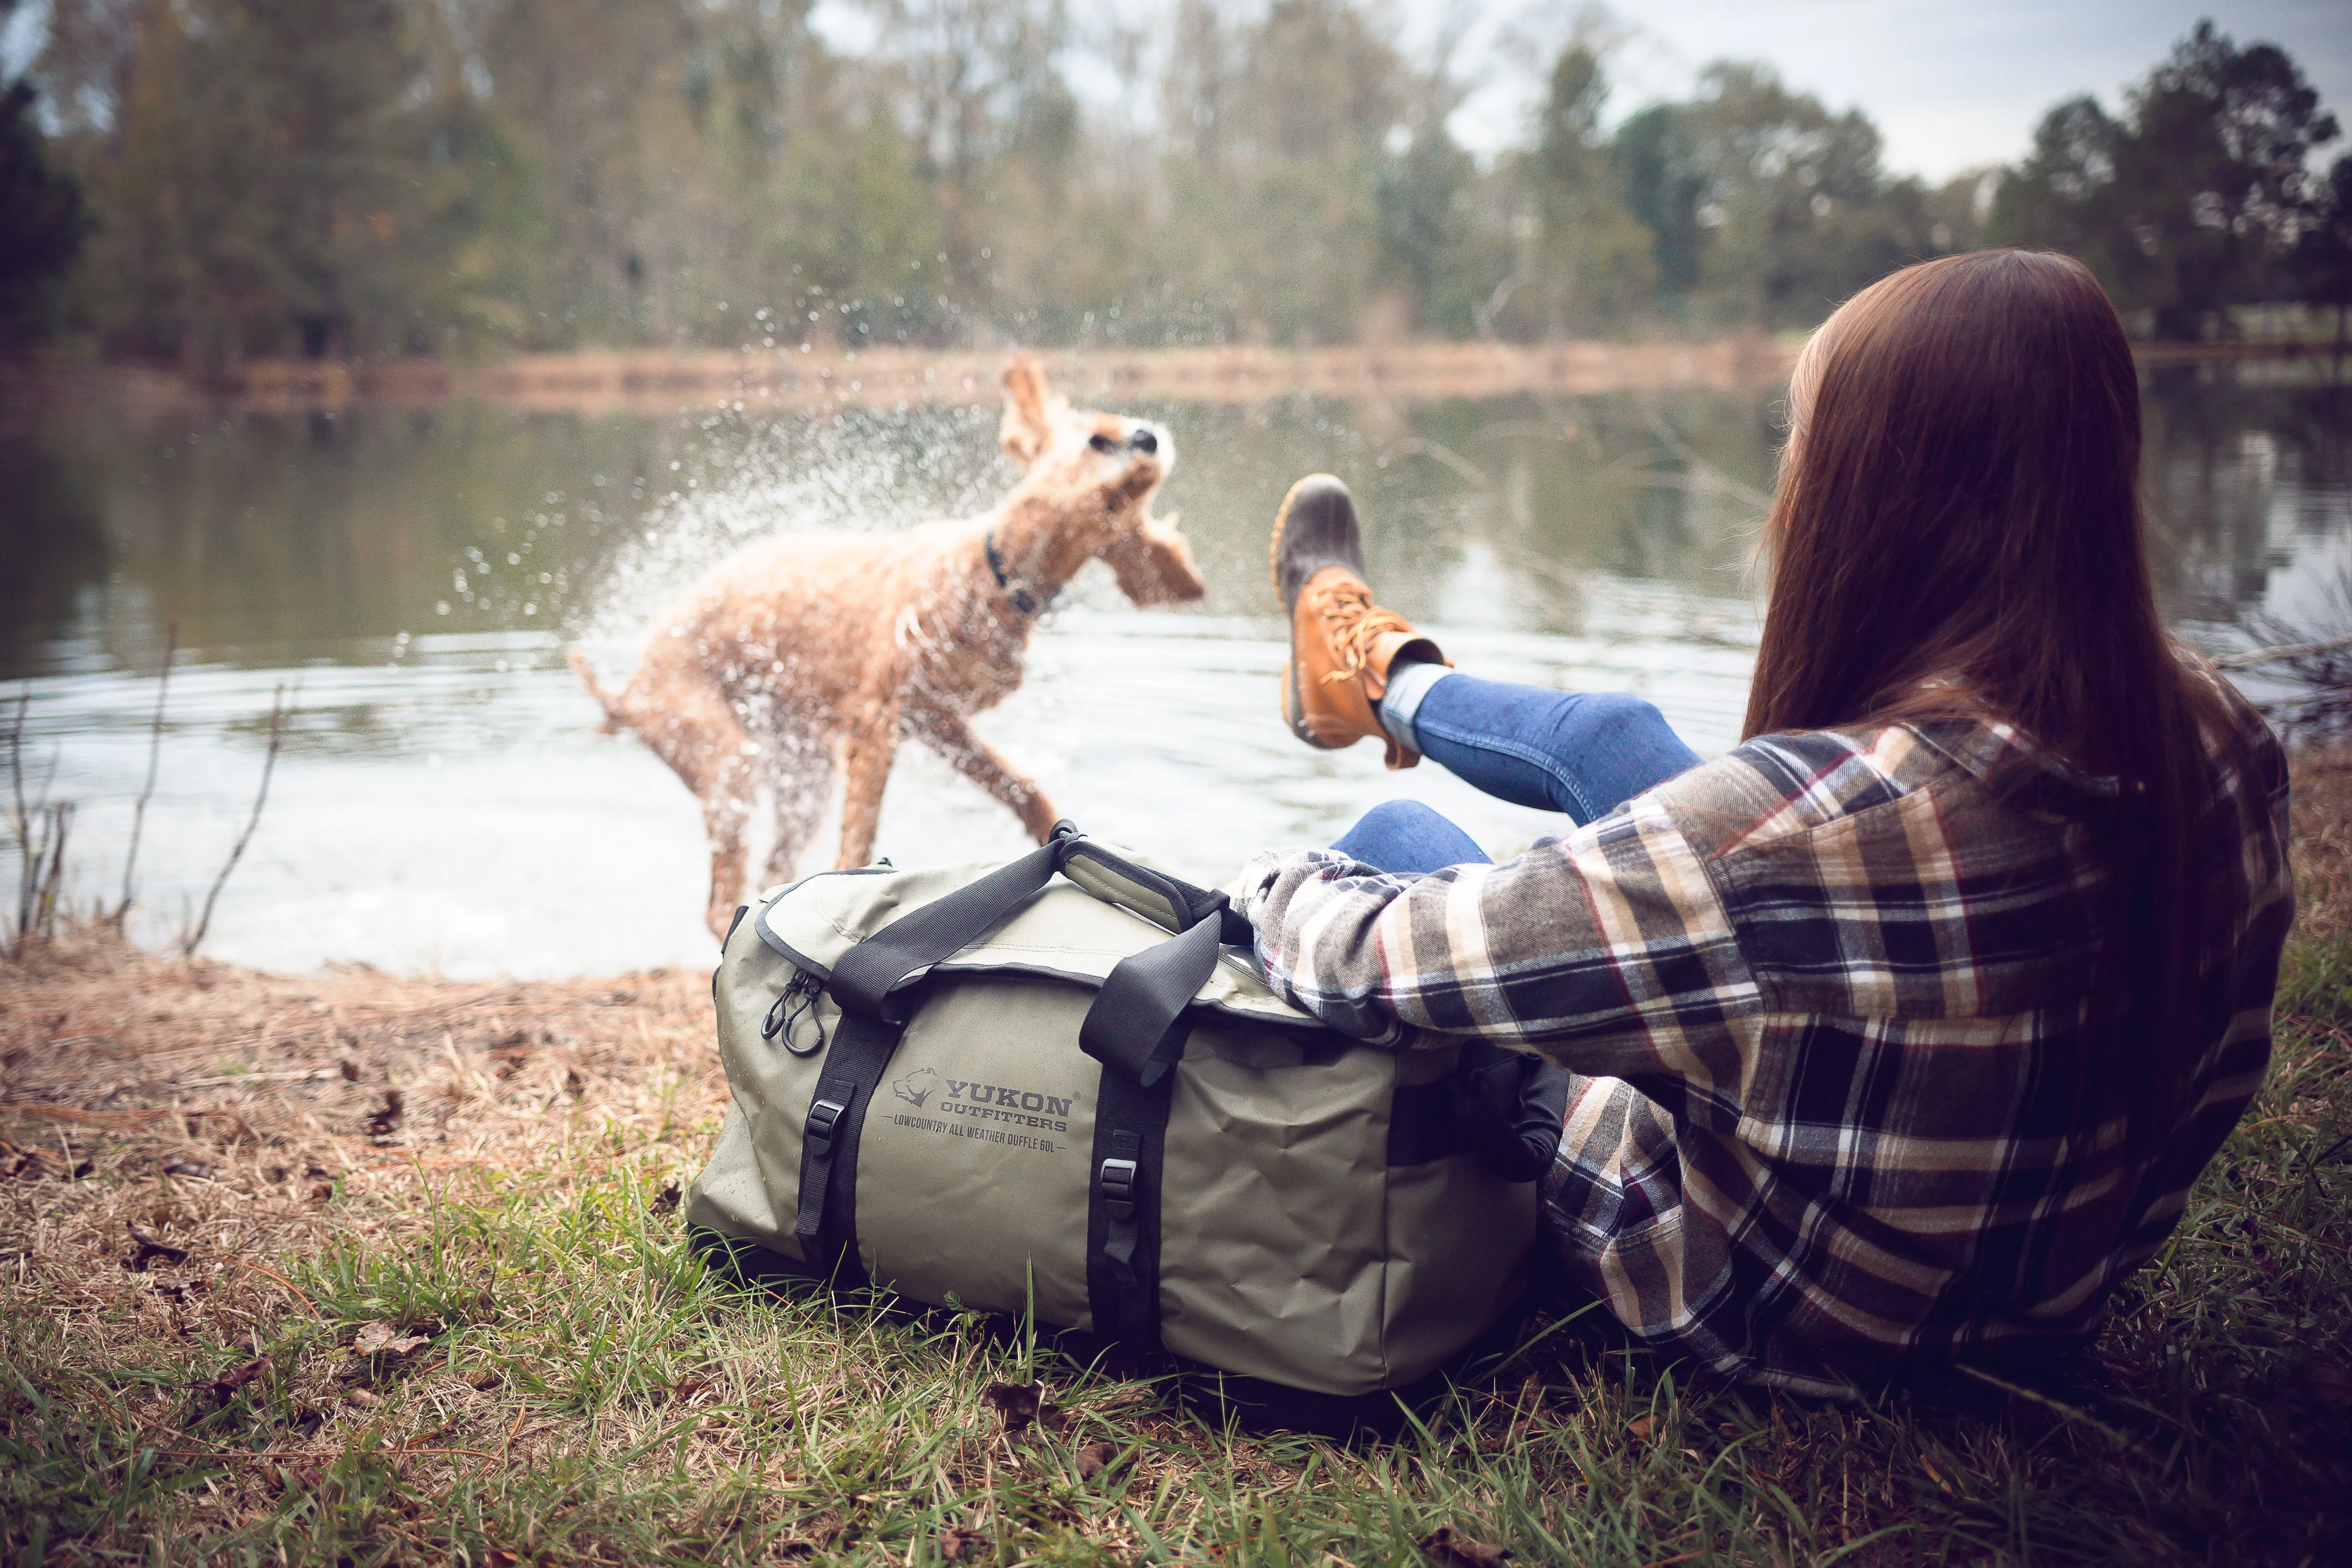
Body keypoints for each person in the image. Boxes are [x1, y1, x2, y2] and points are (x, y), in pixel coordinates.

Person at [1229, 249, 2292, 1399]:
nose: (1789, 471)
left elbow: (1357, 958)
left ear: (1879, 493)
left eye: (1801, 435)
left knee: (1398, 837)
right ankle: (1371, 675)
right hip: (2046, 1301)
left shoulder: (1786, 848)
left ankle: (1365, 687)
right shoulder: (2216, 739)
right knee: (1616, 743)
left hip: (1783, 1317)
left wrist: (1257, 882)